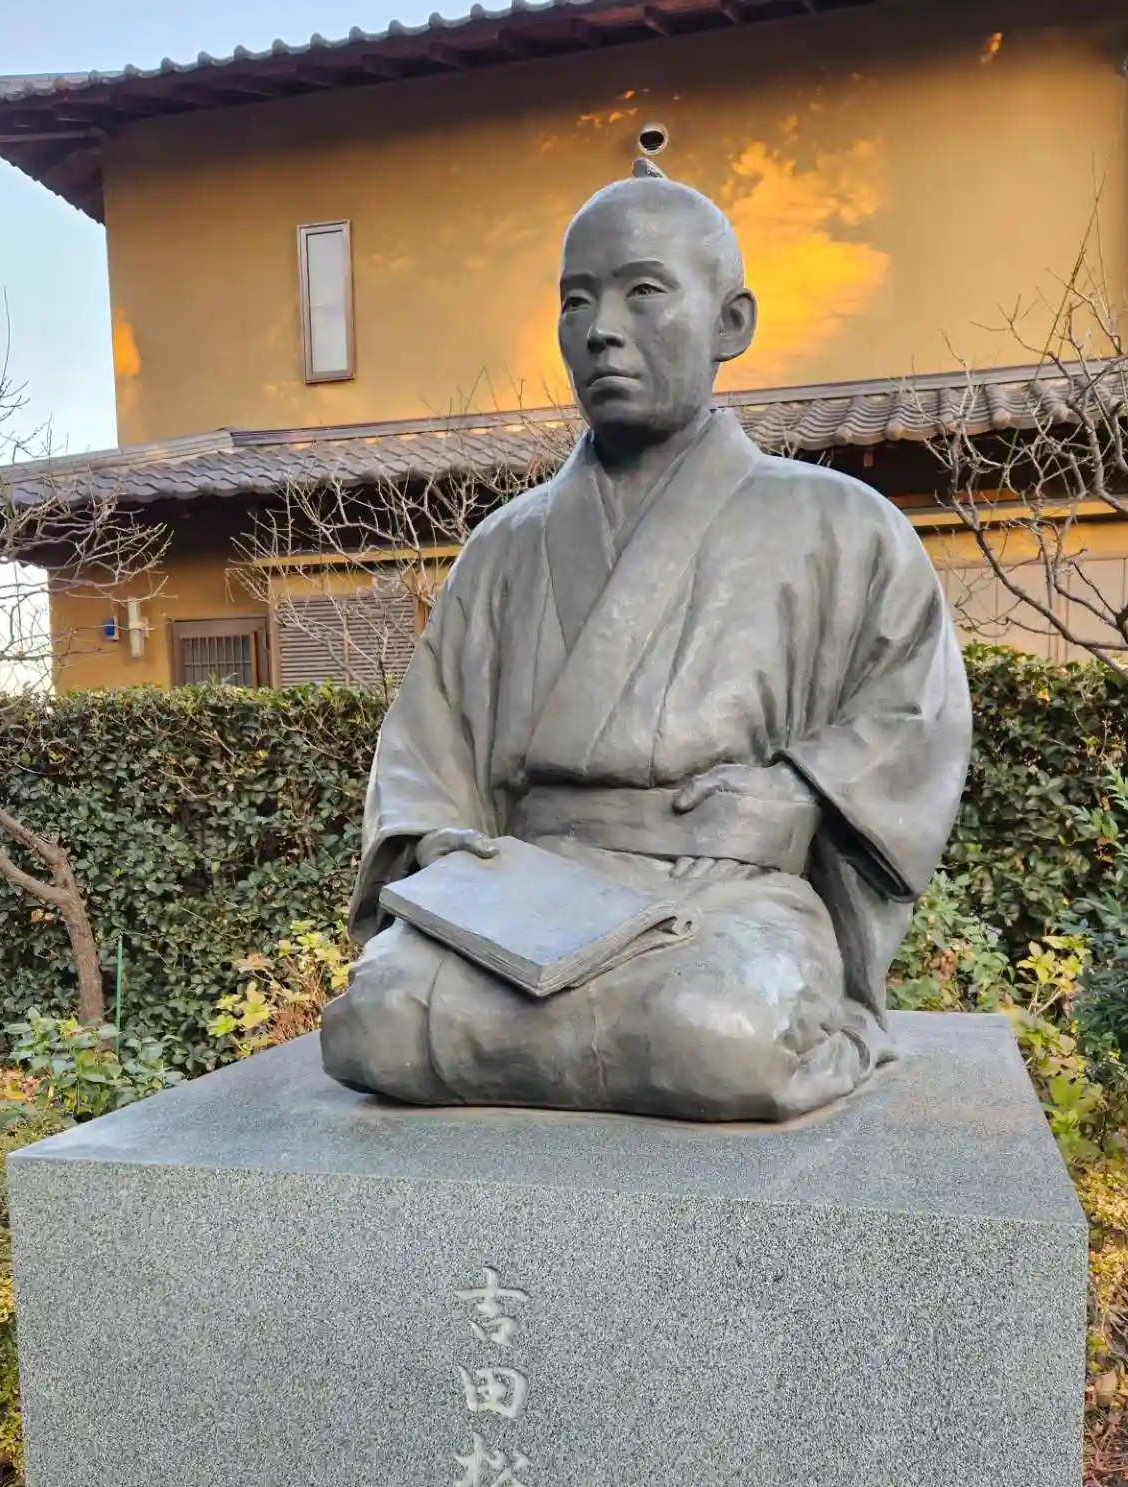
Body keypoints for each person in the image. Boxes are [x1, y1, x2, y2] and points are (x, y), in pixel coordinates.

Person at [319, 170, 971, 1122]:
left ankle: (774, 1016)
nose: (601, 330)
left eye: (644, 291)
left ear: (731, 322)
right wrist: (440, 843)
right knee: (372, 1023)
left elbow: (912, 713)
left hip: (723, 894)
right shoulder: (504, 546)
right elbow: (431, 737)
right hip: (527, 896)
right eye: (576, 301)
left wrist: (797, 790)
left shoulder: (843, 522)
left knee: (715, 1036)